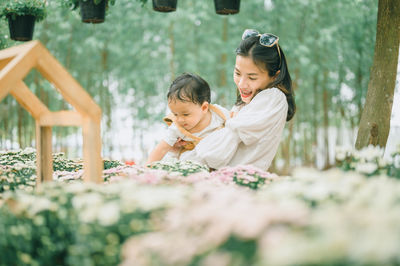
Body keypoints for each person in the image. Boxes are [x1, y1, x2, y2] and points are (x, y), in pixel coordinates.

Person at [179, 29, 296, 170]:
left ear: (275, 76)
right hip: (225, 181)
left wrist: (185, 160)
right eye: (237, 73)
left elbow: (215, 154)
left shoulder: (273, 97)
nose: (241, 83)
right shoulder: (248, 103)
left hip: (236, 184)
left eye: (252, 77)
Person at [146, 73, 230, 164]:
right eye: (175, 114)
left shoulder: (218, 113)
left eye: (185, 114)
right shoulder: (176, 128)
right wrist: (147, 166)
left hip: (219, 154)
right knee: (186, 158)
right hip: (194, 162)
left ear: (204, 108)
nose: (180, 120)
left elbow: (235, 122)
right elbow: (161, 149)